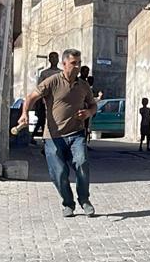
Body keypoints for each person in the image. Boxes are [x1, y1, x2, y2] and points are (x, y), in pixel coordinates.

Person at [19, 49, 98, 218]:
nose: (77, 66)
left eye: (79, 63)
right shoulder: (52, 81)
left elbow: (93, 105)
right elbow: (31, 97)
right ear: (64, 64)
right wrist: (25, 114)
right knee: (59, 172)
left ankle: (84, 200)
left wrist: (88, 113)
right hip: (53, 137)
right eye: (73, 63)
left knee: (82, 163)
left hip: (76, 134)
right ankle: (68, 204)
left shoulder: (83, 86)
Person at [31, 52, 61, 138]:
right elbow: (40, 88)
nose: (54, 59)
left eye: (55, 57)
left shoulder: (61, 73)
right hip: (46, 101)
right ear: (49, 59)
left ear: (58, 59)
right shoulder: (45, 73)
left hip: (59, 101)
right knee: (44, 120)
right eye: (52, 57)